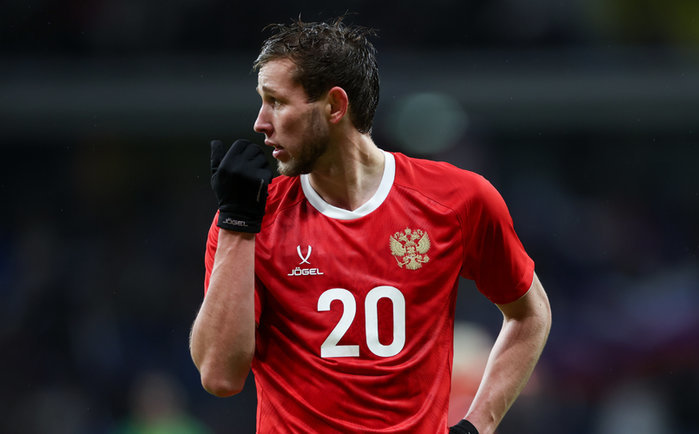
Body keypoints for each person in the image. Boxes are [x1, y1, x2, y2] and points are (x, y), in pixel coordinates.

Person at [189, 16, 551, 434]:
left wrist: (478, 424)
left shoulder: (458, 200)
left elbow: (530, 314)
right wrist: (236, 224)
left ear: (334, 106)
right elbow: (219, 376)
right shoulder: (249, 217)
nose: (260, 122)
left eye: (277, 102)